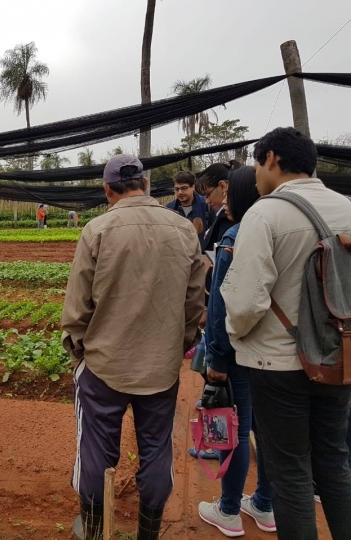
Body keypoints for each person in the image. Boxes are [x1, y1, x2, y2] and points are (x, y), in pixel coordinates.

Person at [63, 155, 206, 540]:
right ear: (146, 184)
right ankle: (148, 533)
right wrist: (180, 346)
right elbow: (195, 304)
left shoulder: (97, 230)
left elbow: (78, 308)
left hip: (105, 366)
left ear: (107, 190)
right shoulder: (182, 229)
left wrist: (79, 353)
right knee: (157, 450)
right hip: (160, 368)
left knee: (95, 451)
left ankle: (95, 530)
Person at [222, 127, 351, 539]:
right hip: (337, 357)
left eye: (258, 164)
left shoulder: (265, 213)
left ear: (272, 158)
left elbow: (245, 305)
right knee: (333, 459)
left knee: (288, 470)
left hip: (278, 365)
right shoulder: (346, 207)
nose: (257, 174)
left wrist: (233, 332)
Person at [196, 165, 275, 537]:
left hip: (241, 351)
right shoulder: (279, 230)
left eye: (230, 194)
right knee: (270, 430)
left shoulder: (234, 236)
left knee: (236, 431)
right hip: (278, 354)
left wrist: (217, 360)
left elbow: (221, 310)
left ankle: (228, 511)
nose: (224, 199)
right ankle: (264, 505)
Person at [197, 162, 235, 254]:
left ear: (222, 186)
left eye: (207, 194)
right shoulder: (219, 216)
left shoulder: (229, 220)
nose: (207, 201)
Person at [166, 170, 208, 240]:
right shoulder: (169, 209)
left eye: (184, 188)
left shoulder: (207, 205)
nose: (180, 192)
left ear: (193, 187)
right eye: (177, 189)